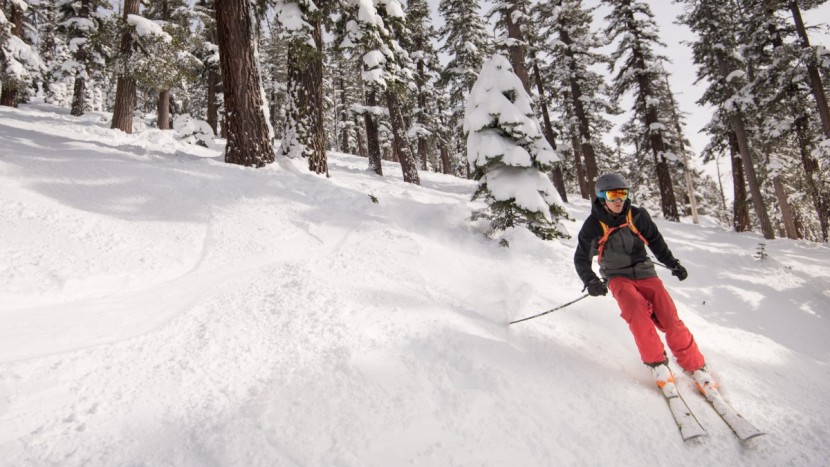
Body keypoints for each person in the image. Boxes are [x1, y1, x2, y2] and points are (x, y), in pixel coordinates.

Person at [573, 172, 717, 399]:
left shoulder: (637, 215)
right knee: (637, 314)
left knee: (670, 318)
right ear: (602, 197)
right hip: (617, 276)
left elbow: (656, 242)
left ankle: (696, 367)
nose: (619, 199)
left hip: (645, 272)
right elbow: (581, 258)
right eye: (613, 195)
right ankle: (658, 365)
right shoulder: (593, 225)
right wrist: (590, 280)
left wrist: (673, 264)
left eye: (623, 194)